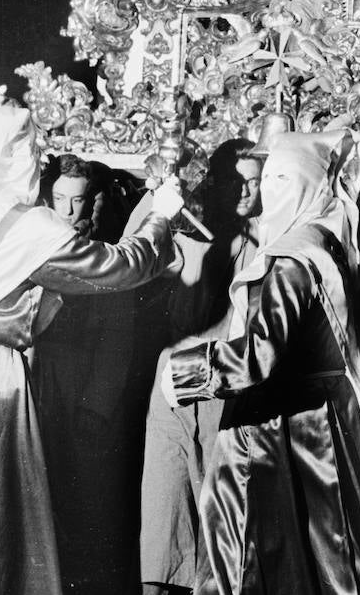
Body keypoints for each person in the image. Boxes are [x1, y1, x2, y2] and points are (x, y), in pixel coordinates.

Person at [0, 98, 183, 595]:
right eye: (30, 150)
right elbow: (121, 268)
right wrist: (161, 215)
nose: (37, 162)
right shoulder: (24, 227)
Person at [162, 131, 360, 595]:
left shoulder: (291, 259)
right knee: (327, 546)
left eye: (284, 178)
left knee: (249, 548)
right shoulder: (327, 239)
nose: (270, 192)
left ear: (306, 184)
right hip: (322, 418)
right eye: (272, 178)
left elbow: (256, 357)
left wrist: (180, 373)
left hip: (281, 426)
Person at [138, 138, 265, 595]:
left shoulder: (267, 242)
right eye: (237, 180)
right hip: (172, 386)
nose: (246, 191)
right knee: (164, 517)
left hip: (221, 388)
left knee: (216, 527)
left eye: (256, 181)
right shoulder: (188, 231)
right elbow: (136, 250)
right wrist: (165, 203)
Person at [32, 154, 140, 595]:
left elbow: (118, 340)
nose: (68, 211)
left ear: (92, 202)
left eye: (78, 201)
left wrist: (97, 405)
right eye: (59, 199)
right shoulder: (36, 243)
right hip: (39, 384)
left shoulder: (104, 255)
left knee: (86, 505)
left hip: (84, 390)